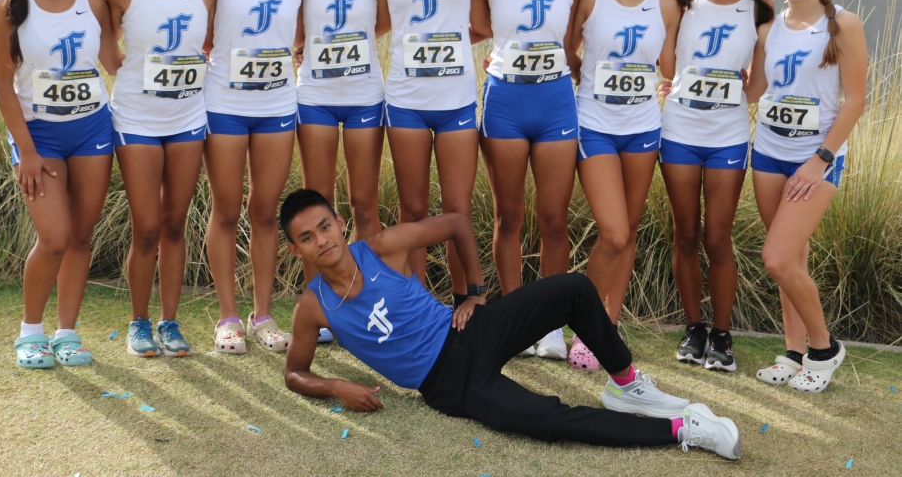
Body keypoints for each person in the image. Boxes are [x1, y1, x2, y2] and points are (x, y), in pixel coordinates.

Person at [279, 189, 741, 460]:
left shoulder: (380, 248)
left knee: (574, 288)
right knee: (545, 419)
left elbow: (459, 224)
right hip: (447, 385)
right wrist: (338, 386)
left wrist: (474, 294)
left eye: (324, 226)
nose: (321, 240)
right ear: (296, 250)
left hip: (467, 330)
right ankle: (683, 429)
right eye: (306, 237)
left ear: (340, 224)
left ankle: (624, 383)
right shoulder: (312, 308)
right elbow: (294, 372)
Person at [0, 0, 123, 368]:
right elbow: (2, 85)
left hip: (92, 130)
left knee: (82, 236)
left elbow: (115, 62)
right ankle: (31, 332)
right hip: (38, 135)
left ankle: (67, 332)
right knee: (55, 237)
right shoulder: (10, 4)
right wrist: (25, 150)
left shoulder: (94, 2)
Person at [569, 0, 689, 371]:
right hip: (595, 125)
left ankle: (608, 324)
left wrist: (680, 81)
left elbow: (670, 65)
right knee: (614, 232)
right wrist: (585, 72)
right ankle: (581, 320)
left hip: (643, 129)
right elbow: (564, 48)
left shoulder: (667, 4)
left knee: (629, 233)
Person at [369, 0, 491, 301]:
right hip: (405, 100)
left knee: (458, 211)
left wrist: (454, 45)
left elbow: (482, 22)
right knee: (414, 210)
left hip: (457, 99)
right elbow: (371, 21)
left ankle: (467, 300)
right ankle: (417, 300)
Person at [750, 0, 866, 392]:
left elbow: (855, 101)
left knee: (776, 259)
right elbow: (756, 91)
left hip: (816, 159)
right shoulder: (770, 28)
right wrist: (676, 84)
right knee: (791, 259)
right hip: (767, 154)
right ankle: (794, 354)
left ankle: (824, 349)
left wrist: (820, 159)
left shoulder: (845, 24)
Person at [660, 0, 774, 371]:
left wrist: (735, 96)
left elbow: (760, 80)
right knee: (685, 234)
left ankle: (722, 337)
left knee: (717, 237)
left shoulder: (759, 4)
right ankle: (694, 329)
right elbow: (665, 56)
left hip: (726, 133)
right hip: (680, 131)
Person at [104, 0, 216, 357]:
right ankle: (139, 322)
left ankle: (170, 321)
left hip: (189, 118)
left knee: (175, 224)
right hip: (136, 119)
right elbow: (109, 52)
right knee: (146, 227)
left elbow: (211, 43)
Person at [196, 0, 305, 354]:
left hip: (278, 107)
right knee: (226, 209)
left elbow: (301, 30)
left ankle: (262, 315)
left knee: (265, 211)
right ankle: (228, 318)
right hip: (224, 104)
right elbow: (193, 24)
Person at [479, 0, 583, 359]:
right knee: (509, 217)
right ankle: (516, 315)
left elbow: (572, 43)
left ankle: (550, 324)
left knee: (554, 219)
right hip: (505, 102)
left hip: (556, 102)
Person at [292, 0, 387, 270]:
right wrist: (307, 45)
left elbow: (385, 19)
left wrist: (352, 43)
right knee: (318, 206)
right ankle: (322, 303)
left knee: (364, 203)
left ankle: (369, 293)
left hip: (364, 95)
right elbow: (292, 14)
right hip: (315, 96)